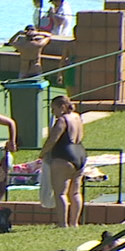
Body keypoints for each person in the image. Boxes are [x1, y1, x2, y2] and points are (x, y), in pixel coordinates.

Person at [40, 95, 87, 228]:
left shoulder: (62, 120)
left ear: (62, 107)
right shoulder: (77, 117)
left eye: (53, 109)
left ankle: (63, 224)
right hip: (80, 153)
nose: (52, 112)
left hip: (64, 155)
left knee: (61, 192)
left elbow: (52, 139)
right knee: (76, 192)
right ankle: (74, 223)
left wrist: (42, 153)